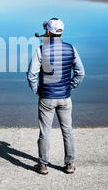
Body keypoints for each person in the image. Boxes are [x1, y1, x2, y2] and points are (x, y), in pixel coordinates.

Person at [27, 18, 85, 175]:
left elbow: (32, 74)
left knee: (45, 132)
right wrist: (70, 86)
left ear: (47, 32)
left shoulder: (40, 50)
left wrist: (36, 90)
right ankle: (70, 165)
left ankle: (43, 166)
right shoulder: (71, 49)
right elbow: (80, 73)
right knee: (67, 130)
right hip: (65, 97)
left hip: (46, 97)